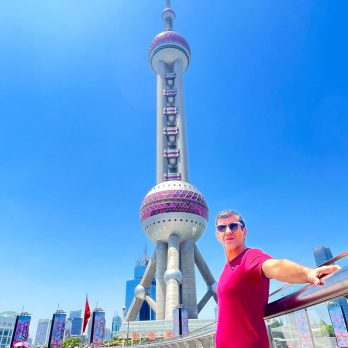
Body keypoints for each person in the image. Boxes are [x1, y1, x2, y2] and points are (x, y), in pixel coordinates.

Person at [215, 209, 340, 348]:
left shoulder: (250, 256)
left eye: (233, 226)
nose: (227, 231)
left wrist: (307, 274)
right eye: (221, 227)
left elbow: (276, 266)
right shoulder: (226, 267)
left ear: (244, 232)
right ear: (217, 235)